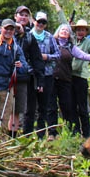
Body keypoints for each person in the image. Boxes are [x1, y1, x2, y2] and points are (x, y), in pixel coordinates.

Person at [52, 20, 90, 137]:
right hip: (68, 78)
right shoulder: (70, 41)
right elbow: (64, 25)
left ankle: (86, 133)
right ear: (75, 31)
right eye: (78, 29)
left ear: (86, 32)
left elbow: (87, 55)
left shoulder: (87, 43)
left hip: (80, 78)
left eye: (83, 30)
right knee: (70, 106)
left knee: (82, 107)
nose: (80, 32)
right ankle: (75, 132)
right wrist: (58, 8)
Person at [0, 19, 28, 139]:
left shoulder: (16, 48)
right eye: (6, 28)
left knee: (4, 117)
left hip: (8, 85)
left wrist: (20, 66)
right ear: (1, 29)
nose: (8, 31)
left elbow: (25, 67)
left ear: (14, 31)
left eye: (11, 29)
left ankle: (0, 142)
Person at [24, 11, 61, 139]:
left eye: (43, 22)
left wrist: (46, 57)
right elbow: (23, 56)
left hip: (47, 75)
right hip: (31, 75)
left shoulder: (49, 37)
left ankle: (40, 135)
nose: (40, 24)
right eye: (39, 21)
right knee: (30, 108)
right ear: (34, 21)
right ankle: (27, 135)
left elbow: (57, 55)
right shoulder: (28, 36)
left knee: (44, 107)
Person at [12, 5, 44, 134]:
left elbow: (37, 59)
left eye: (26, 15)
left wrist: (40, 80)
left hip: (25, 76)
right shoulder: (6, 30)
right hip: (7, 75)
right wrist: (14, 27)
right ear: (15, 16)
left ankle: (23, 134)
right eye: (21, 15)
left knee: (25, 108)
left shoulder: (30, 37)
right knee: (7, 106)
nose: (23, 17)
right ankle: (4, 134)